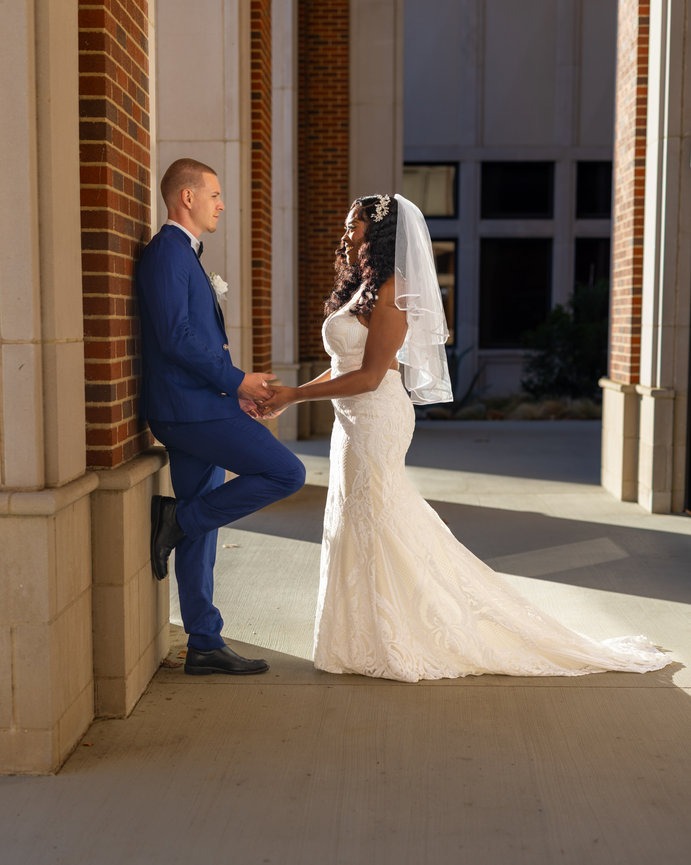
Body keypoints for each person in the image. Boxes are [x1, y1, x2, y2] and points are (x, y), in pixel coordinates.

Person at [259, 193, 670, 682]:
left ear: (381, 235)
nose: (346, 235)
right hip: (350, 421)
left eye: (355, 226)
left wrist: (293, 396)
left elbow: (371, 376)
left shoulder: (393, 292)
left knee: (381, 515)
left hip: (376, 416)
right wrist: (291, 393)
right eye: (348, 226)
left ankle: (407, 633)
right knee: (358, 516)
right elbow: (341, 366)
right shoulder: (363, 288)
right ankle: (360, 635)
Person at [137, 158, 305, 676]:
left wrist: (231, 396)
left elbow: (191, 342)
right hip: (185, 412)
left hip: (200, 405)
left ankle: (204, 642)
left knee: (203, 518)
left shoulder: (184, 255)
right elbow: (175, 337)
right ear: (186, 197)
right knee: (285, 472)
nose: (221, 203)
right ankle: (176, 520)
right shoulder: (168, 252)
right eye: (213, 194)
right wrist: (237, 380)